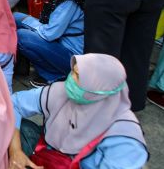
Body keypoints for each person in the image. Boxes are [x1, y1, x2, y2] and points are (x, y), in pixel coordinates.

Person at [9, 54, 148, 169]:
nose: (70, 80)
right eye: (73, 72)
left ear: (100, 89)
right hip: (45, 154)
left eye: (79, 77)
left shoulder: (124, 137)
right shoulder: (60, 91)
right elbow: (13, 104)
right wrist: (15, 150)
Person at [14, 0, 87, 86]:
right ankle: (20, 63)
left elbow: (50, 33)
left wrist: (28, 21)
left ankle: (56, 75)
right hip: (60, 38)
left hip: (71, 55)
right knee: (16, 17)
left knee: (22, 35)